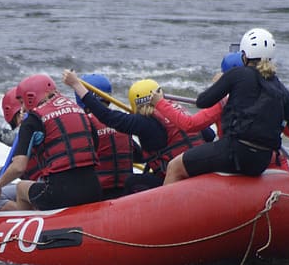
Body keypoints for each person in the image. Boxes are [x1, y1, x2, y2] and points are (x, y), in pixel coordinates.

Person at [162, 28, 289, 185]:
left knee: (175, 167)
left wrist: (223, 82)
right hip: (261, 162)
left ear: (244, 55)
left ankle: (163, 209)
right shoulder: (281, 89)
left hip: (233, 152)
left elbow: (202, 102)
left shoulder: (237, 74)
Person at [62, 69, 214, 194]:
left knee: (133, 182)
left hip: (180, 181)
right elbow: (209, 135)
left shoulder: (145, 123)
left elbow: (108, 117)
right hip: (199, 173)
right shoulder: (180, 112)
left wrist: (76, 85)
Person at [151, 54, 289, 172]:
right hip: (272, 160)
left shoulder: (225, 102)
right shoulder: (271, 96)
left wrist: (160, 103)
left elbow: (189, 124)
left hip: (238, 157)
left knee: (175, 167)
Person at [0, 73, 102, 210]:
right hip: (94, 189)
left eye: (22, 102)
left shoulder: (32, 120)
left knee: (20, 188)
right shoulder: (79, 111)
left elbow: (19, 167)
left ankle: (29, 227)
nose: (22, 109)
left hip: (60, 193)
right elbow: (95, 144)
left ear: (31, 97)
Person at [73, 73, 136, 199]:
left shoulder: (85, 124)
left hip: (100, 195)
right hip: (127, 192)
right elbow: (138, 156)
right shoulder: (122, 120)